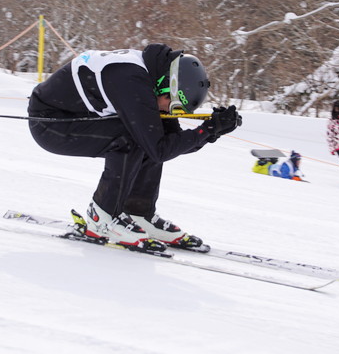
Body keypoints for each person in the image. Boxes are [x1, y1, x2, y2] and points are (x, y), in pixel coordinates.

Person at [27, 44, 242, 251]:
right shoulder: (131, 80)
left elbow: (171, 141)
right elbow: (159, 149)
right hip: (50, 124)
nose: (171, 111)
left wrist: (212, 131)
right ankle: (102, 217)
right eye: (173, 105)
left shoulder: (152, 77)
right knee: (132, 137)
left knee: (149, 134)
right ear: (167, 86)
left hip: (77, 116)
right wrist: (206, 131)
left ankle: (137, 212)